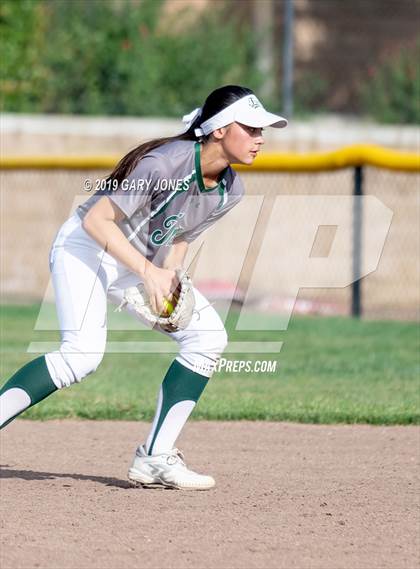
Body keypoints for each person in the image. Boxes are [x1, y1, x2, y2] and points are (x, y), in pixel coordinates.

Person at [0, 85, 287, 490]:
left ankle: (154, 459)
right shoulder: (163, 163)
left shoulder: (230, 189)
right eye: (252, 128)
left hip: (136, 261)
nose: (260, 139)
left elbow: (181, 234)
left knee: (208, 336)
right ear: (220, 130)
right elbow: (96, 221)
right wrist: (148, 272)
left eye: (263, 131)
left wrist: (171, 277)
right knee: (81, 355)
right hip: (87, 249)